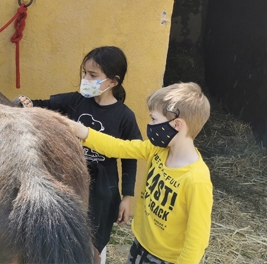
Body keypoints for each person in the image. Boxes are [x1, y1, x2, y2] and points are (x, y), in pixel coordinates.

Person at [66, 82, 213, 264]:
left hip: (167, 259)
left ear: (176, 124)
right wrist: (85, 133)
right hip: (141, 244)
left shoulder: (196, 179)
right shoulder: (157, 150)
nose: (149, 125)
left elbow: (197, 238)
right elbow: (121, 147)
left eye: (153, 119)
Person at [19, 46, 142, 263]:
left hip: (103, 192)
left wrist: (127, 198)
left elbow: (130, 158)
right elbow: (44, 106)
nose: (85, 79)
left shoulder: (125, 117)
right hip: (71, 183)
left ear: (113, 81)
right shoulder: (76, 101)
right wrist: (27, 104)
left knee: (93, 246)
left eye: (93, 75)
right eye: (84, 73)